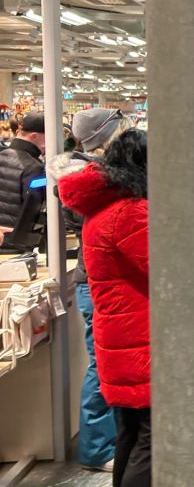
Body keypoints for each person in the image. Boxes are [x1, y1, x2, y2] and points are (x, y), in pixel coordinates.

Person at [57, 130, 151, 487]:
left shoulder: (104, 209)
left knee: (130, 432)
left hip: (123, 335)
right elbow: (168, 270)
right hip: (141, 338)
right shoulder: (130, 212)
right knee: (151, 439)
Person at [51, 107, 132, 473]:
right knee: (103, 365)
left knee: (110, 365)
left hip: (105, 280)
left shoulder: (92, 174)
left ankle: (111, 442)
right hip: (101, 282)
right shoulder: (88, 178)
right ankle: (98, 450)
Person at [0, 112, 45, 232]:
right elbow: (33, 211)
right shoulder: (34, 167)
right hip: (17, 242)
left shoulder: (2, 155)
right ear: (34, 136)